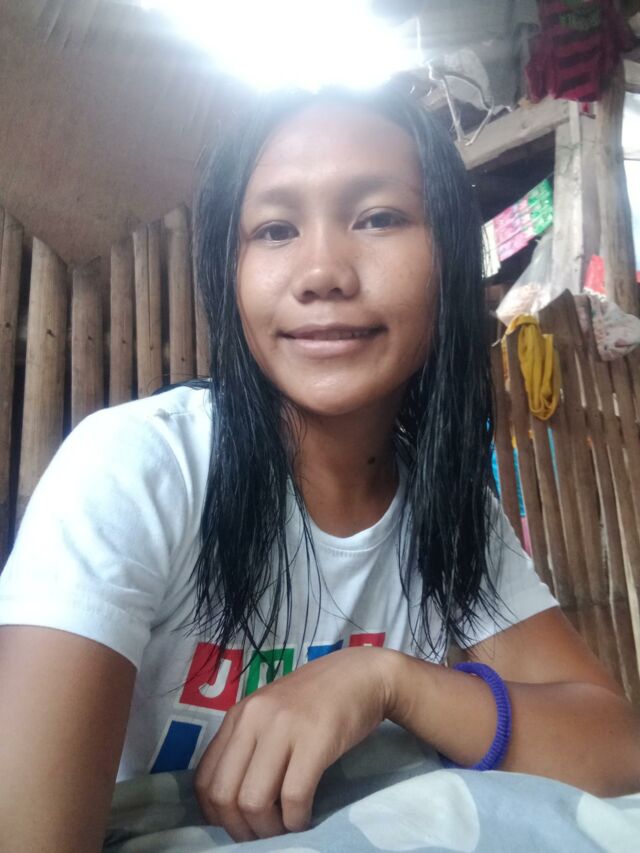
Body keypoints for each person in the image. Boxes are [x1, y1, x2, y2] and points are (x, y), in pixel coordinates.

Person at [0, 85, 639, 852]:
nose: (323, 272)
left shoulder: (446, 509)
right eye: (275, 229)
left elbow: (615, 749)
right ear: (229, 273)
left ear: (448, 258)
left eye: (378, 218)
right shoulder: (141, 469)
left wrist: (385, 680)